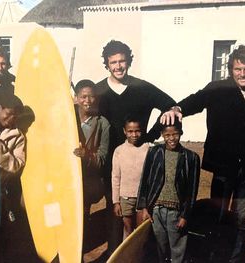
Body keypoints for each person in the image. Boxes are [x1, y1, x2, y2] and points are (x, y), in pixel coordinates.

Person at [161, 45, 245, 262]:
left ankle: (234, 258)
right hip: (223, 167)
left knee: (240, 219)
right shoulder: (218, 88)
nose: (242, 73)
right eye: (237, 69)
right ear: (231, 69)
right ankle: (215, 256)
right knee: (218, 216)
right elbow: (196, 100)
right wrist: (177, 109)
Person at [96, 39, 176, 254]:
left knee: (144, 207)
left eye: (122, 61)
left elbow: (170, 105)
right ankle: (115, 253)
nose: (118, 66)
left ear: (129, 61)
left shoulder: (142, 88)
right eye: (113, 62)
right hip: (110, 161)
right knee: (115, 208)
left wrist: (150, 136)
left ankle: (143, 253)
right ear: (106, 64)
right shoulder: (98, 90)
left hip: (140, 160)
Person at [136, 117, 200, 263]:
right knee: (159, 248)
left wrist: (185, 215)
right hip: (156, 210)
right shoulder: (154, 152)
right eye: (167, 135)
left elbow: (192, 190)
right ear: (162, 135)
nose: (171, 138)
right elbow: (145, 180)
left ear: (181, 133)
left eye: (175, 134)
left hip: (176, 213)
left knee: (178, 249)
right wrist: (144, 207)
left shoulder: (191, 157)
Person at [0, 91, 39, 262]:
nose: (10, 120)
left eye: (14, 117)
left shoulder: (18, 136)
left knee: (8, 231)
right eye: (8, 115)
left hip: (3, 191)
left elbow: (16, 165)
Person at [72, 80, 110, 244]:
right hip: (63, 179)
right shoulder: (65, 117)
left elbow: (102, 158)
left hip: (86, 183)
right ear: (75, 97)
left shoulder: (103, 124)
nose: (87, 101)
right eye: (83, 96)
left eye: (91, 97)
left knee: (81, 221)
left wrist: (87, 155)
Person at [111, 116, 149, 239]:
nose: (134, 134)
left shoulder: (148, 149)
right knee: (127, 229)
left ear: (142, 130)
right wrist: (116, 202)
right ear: (124, 131)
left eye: (137, 131)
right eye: (130, 131)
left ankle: (139, 256)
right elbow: (116, 177)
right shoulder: (119, 151)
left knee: (140, 231)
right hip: (125, 198)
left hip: (143, 198)